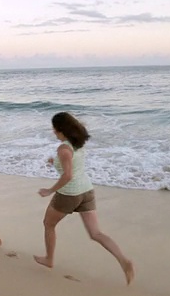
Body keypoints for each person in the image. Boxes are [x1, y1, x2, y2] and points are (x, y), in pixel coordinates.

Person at [35, 112, 134, 285]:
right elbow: (72, 164)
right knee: (96, 233)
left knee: (48, 224)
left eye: (54, 128)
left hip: (69, 194)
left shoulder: (63, 148)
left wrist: (49, 190)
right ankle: (124, 261)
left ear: (60, 130)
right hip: (86, 191)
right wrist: (54, 162)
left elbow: (67, 175)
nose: (53, 132)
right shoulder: (78, 142)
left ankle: (49, 259)